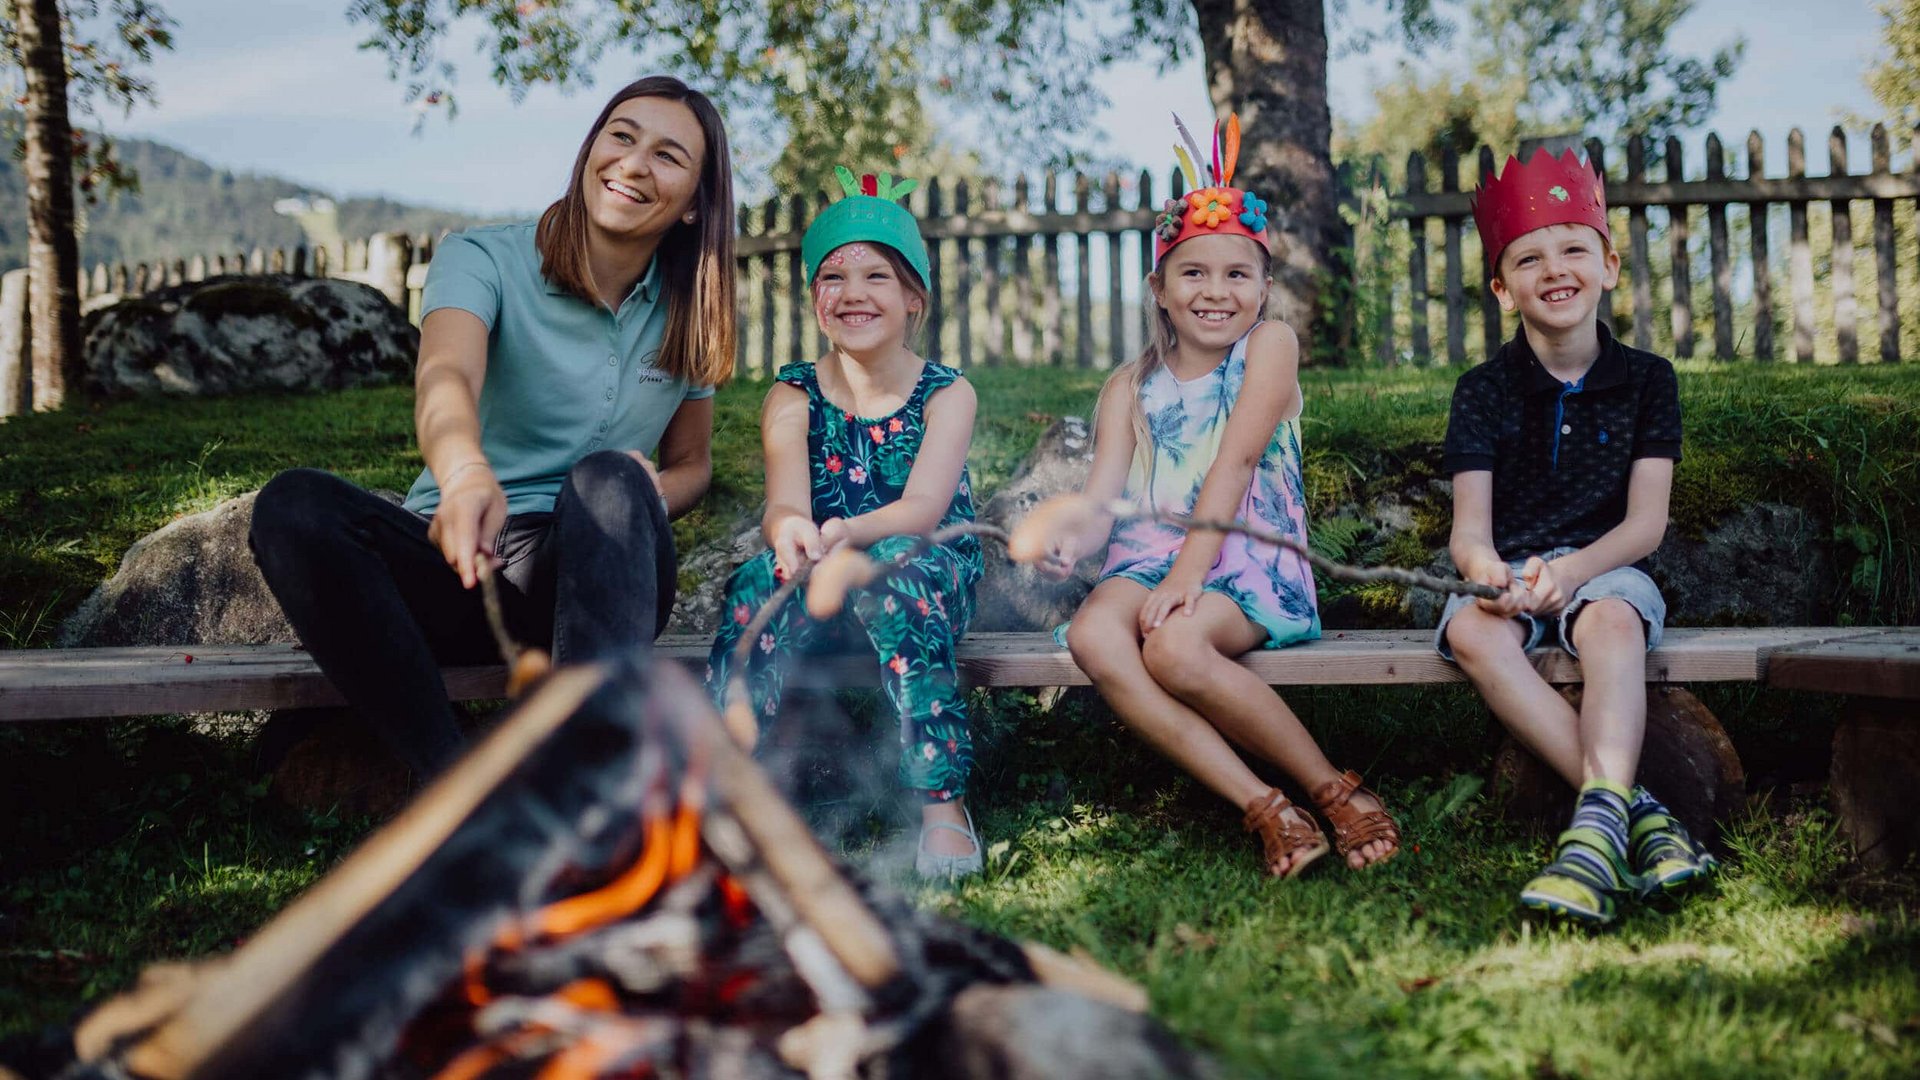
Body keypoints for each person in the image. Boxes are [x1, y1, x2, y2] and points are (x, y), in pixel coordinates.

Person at [250, 75, 736, 779]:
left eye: (668, 156)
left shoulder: (690, 310)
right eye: (622, 136)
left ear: (694, 202)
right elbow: (447, 379)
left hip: (599, 586)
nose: (633, 164)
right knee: (294, 506)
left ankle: (587, 788)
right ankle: (455, 789)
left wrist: (632, 503)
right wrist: (465, 473)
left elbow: (693, 463)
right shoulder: (483, 259)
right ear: (592, 148)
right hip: (464, 567)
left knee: (608, 478)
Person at [1040, 116, 1399, 880]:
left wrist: (1185, 578)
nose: (1215, 291)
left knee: (1172, 645)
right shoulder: (1127, 386)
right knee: (1093, 639)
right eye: (1193, 273)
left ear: (1264, 289)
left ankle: (1331, 789)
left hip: (1245, 561)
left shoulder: (1267, 349)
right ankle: (1264, 805)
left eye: (1237, 274)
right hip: (1145, 566)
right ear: (1160, 291)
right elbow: (1103, 494)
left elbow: (1235, 465)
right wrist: (1074, 532)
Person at [1438, 147, 1716, 925]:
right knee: (1471, 630)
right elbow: (1469, 534)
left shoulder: (1649, 379)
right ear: (1502, 288)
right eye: (1527, 257)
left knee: (1613, 619)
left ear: (1609, 265)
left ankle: (1592, 835)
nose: (1552, 268)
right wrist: (1489, 573)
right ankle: (1638, 816)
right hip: (1512, 570)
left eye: (1573, 249)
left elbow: (1645, 524)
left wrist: (1577, 572)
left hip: (1608, 565)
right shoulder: (1483, 391)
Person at [704, 166, 985, 880]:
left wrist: (845, 538)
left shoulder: (946, 394)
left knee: (894, 575)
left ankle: (940, 801)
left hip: (924, 563)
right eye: (834, 277)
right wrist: (792, 532)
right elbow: (785, 502)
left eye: (878, 277)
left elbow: (923, 511)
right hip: (821, 565)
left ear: (914, 298)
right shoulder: (792, 392)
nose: (854, 293)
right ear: (814, 300)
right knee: (751, 587)